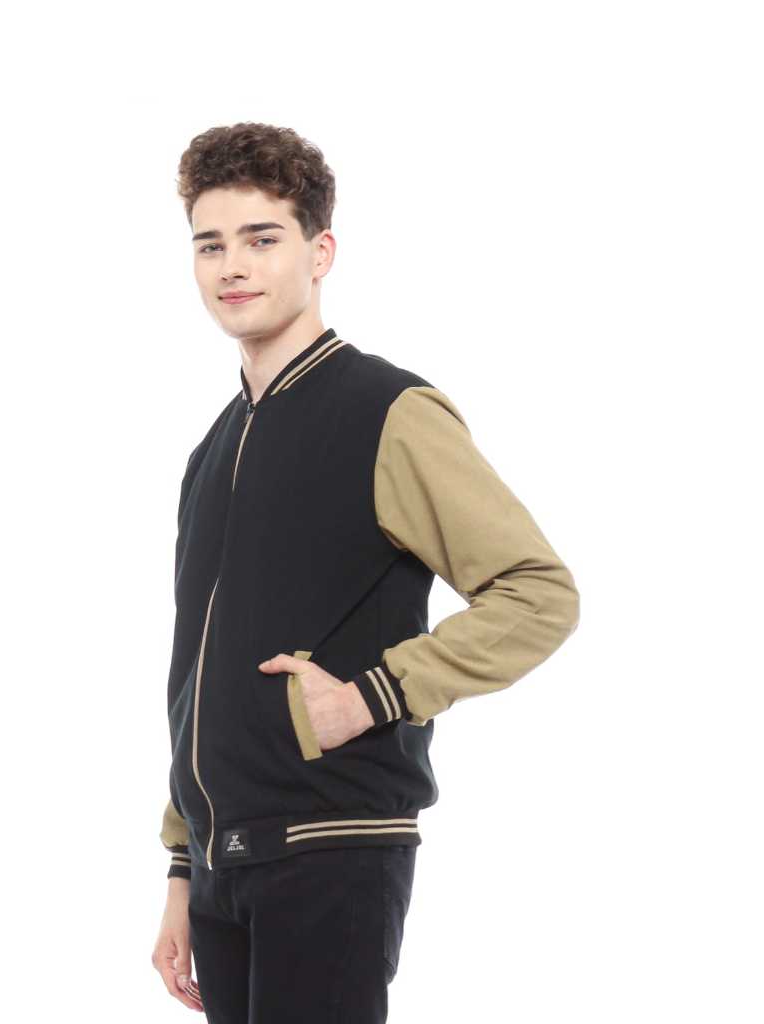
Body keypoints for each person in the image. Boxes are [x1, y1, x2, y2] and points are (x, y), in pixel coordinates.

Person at [150, 122, 581, 1022]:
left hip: (330, 848)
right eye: (210, 244)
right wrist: (183, 870)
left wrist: (372, 696)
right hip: (224, 871)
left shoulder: (387, 411)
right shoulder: (209, 453)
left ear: (320, 253)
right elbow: (195, 672)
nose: (233, 266)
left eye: (262, 239)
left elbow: (538, 591)